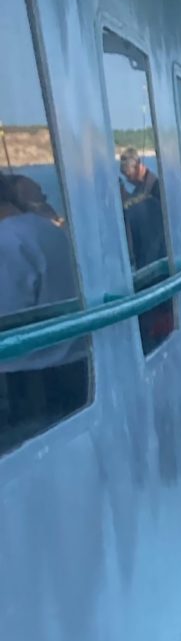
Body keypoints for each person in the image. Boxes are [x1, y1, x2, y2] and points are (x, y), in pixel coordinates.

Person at [0, 170, 88, 443]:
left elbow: (8, 316)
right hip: (78, 366)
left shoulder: (5, 241)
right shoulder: (50, 231)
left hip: (28, 385)